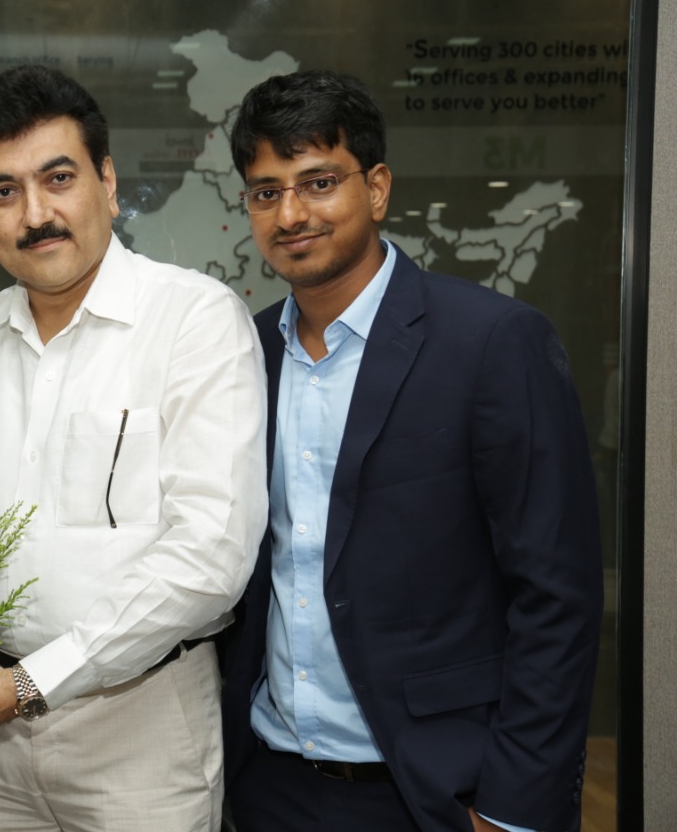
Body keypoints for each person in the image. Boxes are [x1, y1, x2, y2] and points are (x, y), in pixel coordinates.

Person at [0, 64, 269, 832]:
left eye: (58, 178)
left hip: (140, 730)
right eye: (4, 191)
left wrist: (31, 682)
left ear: (108, 183)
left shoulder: (194, 320)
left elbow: (211, 556)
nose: (37, 214)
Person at [220, 70, 603, 832]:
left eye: (318, 181)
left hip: (437, 792)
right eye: (266, 192)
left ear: (377, 188)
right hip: (270, 782)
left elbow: (556, 594)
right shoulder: (241, 352)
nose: (291, 214)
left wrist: (514, 806)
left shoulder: (493, 342)